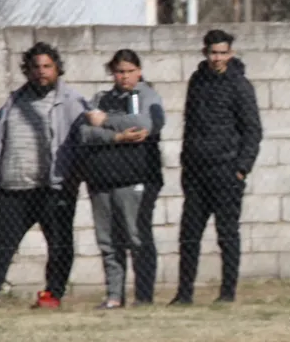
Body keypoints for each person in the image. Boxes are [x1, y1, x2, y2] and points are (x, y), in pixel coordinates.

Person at [0, 42, 89, 309]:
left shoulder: (72, 101)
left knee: (59, 244)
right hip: (12, 187)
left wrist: (73, 178)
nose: (41, 72)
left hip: (53, 188)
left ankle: (52, 295)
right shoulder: (14, 101)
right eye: (35, 67)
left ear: (57, 68)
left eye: (47, 66)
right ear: (27, 70)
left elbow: (84, 140)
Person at [171, 29, 262, 305]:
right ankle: (184, 294)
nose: (217, 58)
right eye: (213, 52)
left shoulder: (240, 85)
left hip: (226, 172)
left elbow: (252, 130)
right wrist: (186, 164)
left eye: (223, 53)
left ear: (230, 54)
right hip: (197, 173)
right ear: (205, 53)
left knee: (227, 234)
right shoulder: (197, 81)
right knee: (189, 235)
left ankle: (227, 293)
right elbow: (189, 124)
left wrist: (241, 168)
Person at [78, 50, 165, 309]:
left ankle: (143, 296)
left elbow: (143, 124)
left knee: (136, 238)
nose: (124, 76)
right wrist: (117, 137)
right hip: (102, 178)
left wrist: (105, 121)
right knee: (108, 241)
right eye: (119, 71)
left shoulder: (146, 95)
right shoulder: (102, 98)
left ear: (138, 71)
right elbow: (84, 132)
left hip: (134, 177)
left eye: (129, 71)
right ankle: (114, 296)